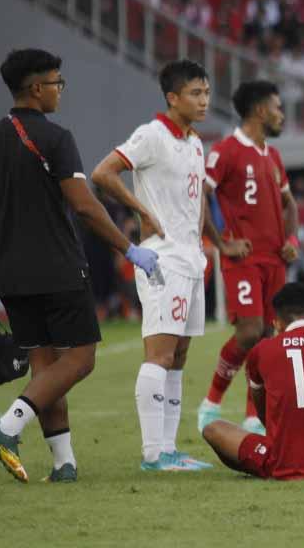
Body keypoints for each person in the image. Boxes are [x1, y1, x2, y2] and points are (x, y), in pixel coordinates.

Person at [0, 48, 160, 483]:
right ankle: (7, 426)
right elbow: (85, 207)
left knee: (45, 367)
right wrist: (129, 250)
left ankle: (63, 464)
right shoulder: (56, 138)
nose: (60, 90)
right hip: (59, 268)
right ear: (36, 88)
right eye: (56, 83)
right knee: (82, 359)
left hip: (10, 275)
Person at [92, 60, 216, 472]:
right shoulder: (152, 135)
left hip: (191, 258)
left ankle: (169, 449)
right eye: (195, 93)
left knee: (179, 355)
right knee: (160, 354)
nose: (204, 100)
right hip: (163, 258)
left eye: (206, 92)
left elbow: (198, 197)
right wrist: (141, 210)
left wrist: (202, 243)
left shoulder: (195, 142)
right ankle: (152, 454)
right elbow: (103, 173)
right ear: (173, 98)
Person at [197, 81, 300, 435]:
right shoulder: (226, 150)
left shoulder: (273, 156)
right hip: (243, 259)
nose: (281, 114)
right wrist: (221, 244)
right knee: (249, 331)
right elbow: (200, 196)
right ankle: (211, 404)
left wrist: (292, 239)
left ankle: (254, 417)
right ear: (260, 110)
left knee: (269, 338)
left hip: (275, 261)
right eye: (277, 107)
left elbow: (290, 205)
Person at [201, 282, 304, 480]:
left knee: (213, 429)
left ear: (277, 324)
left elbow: (263, 411)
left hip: (284, 461)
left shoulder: (261, 351)